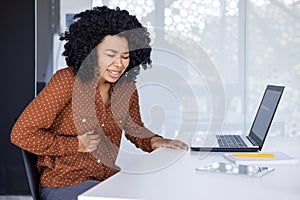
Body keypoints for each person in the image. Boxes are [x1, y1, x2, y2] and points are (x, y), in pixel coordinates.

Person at [10, 6, 187, 200]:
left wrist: (155, 141)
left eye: (125, 56)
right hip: (64, 184)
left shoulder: (125, 88)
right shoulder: (67, 82)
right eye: (111, 55)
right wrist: (76, 144)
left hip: (107, 182)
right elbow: (22, 134)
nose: (119, 64)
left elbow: (134, 129)